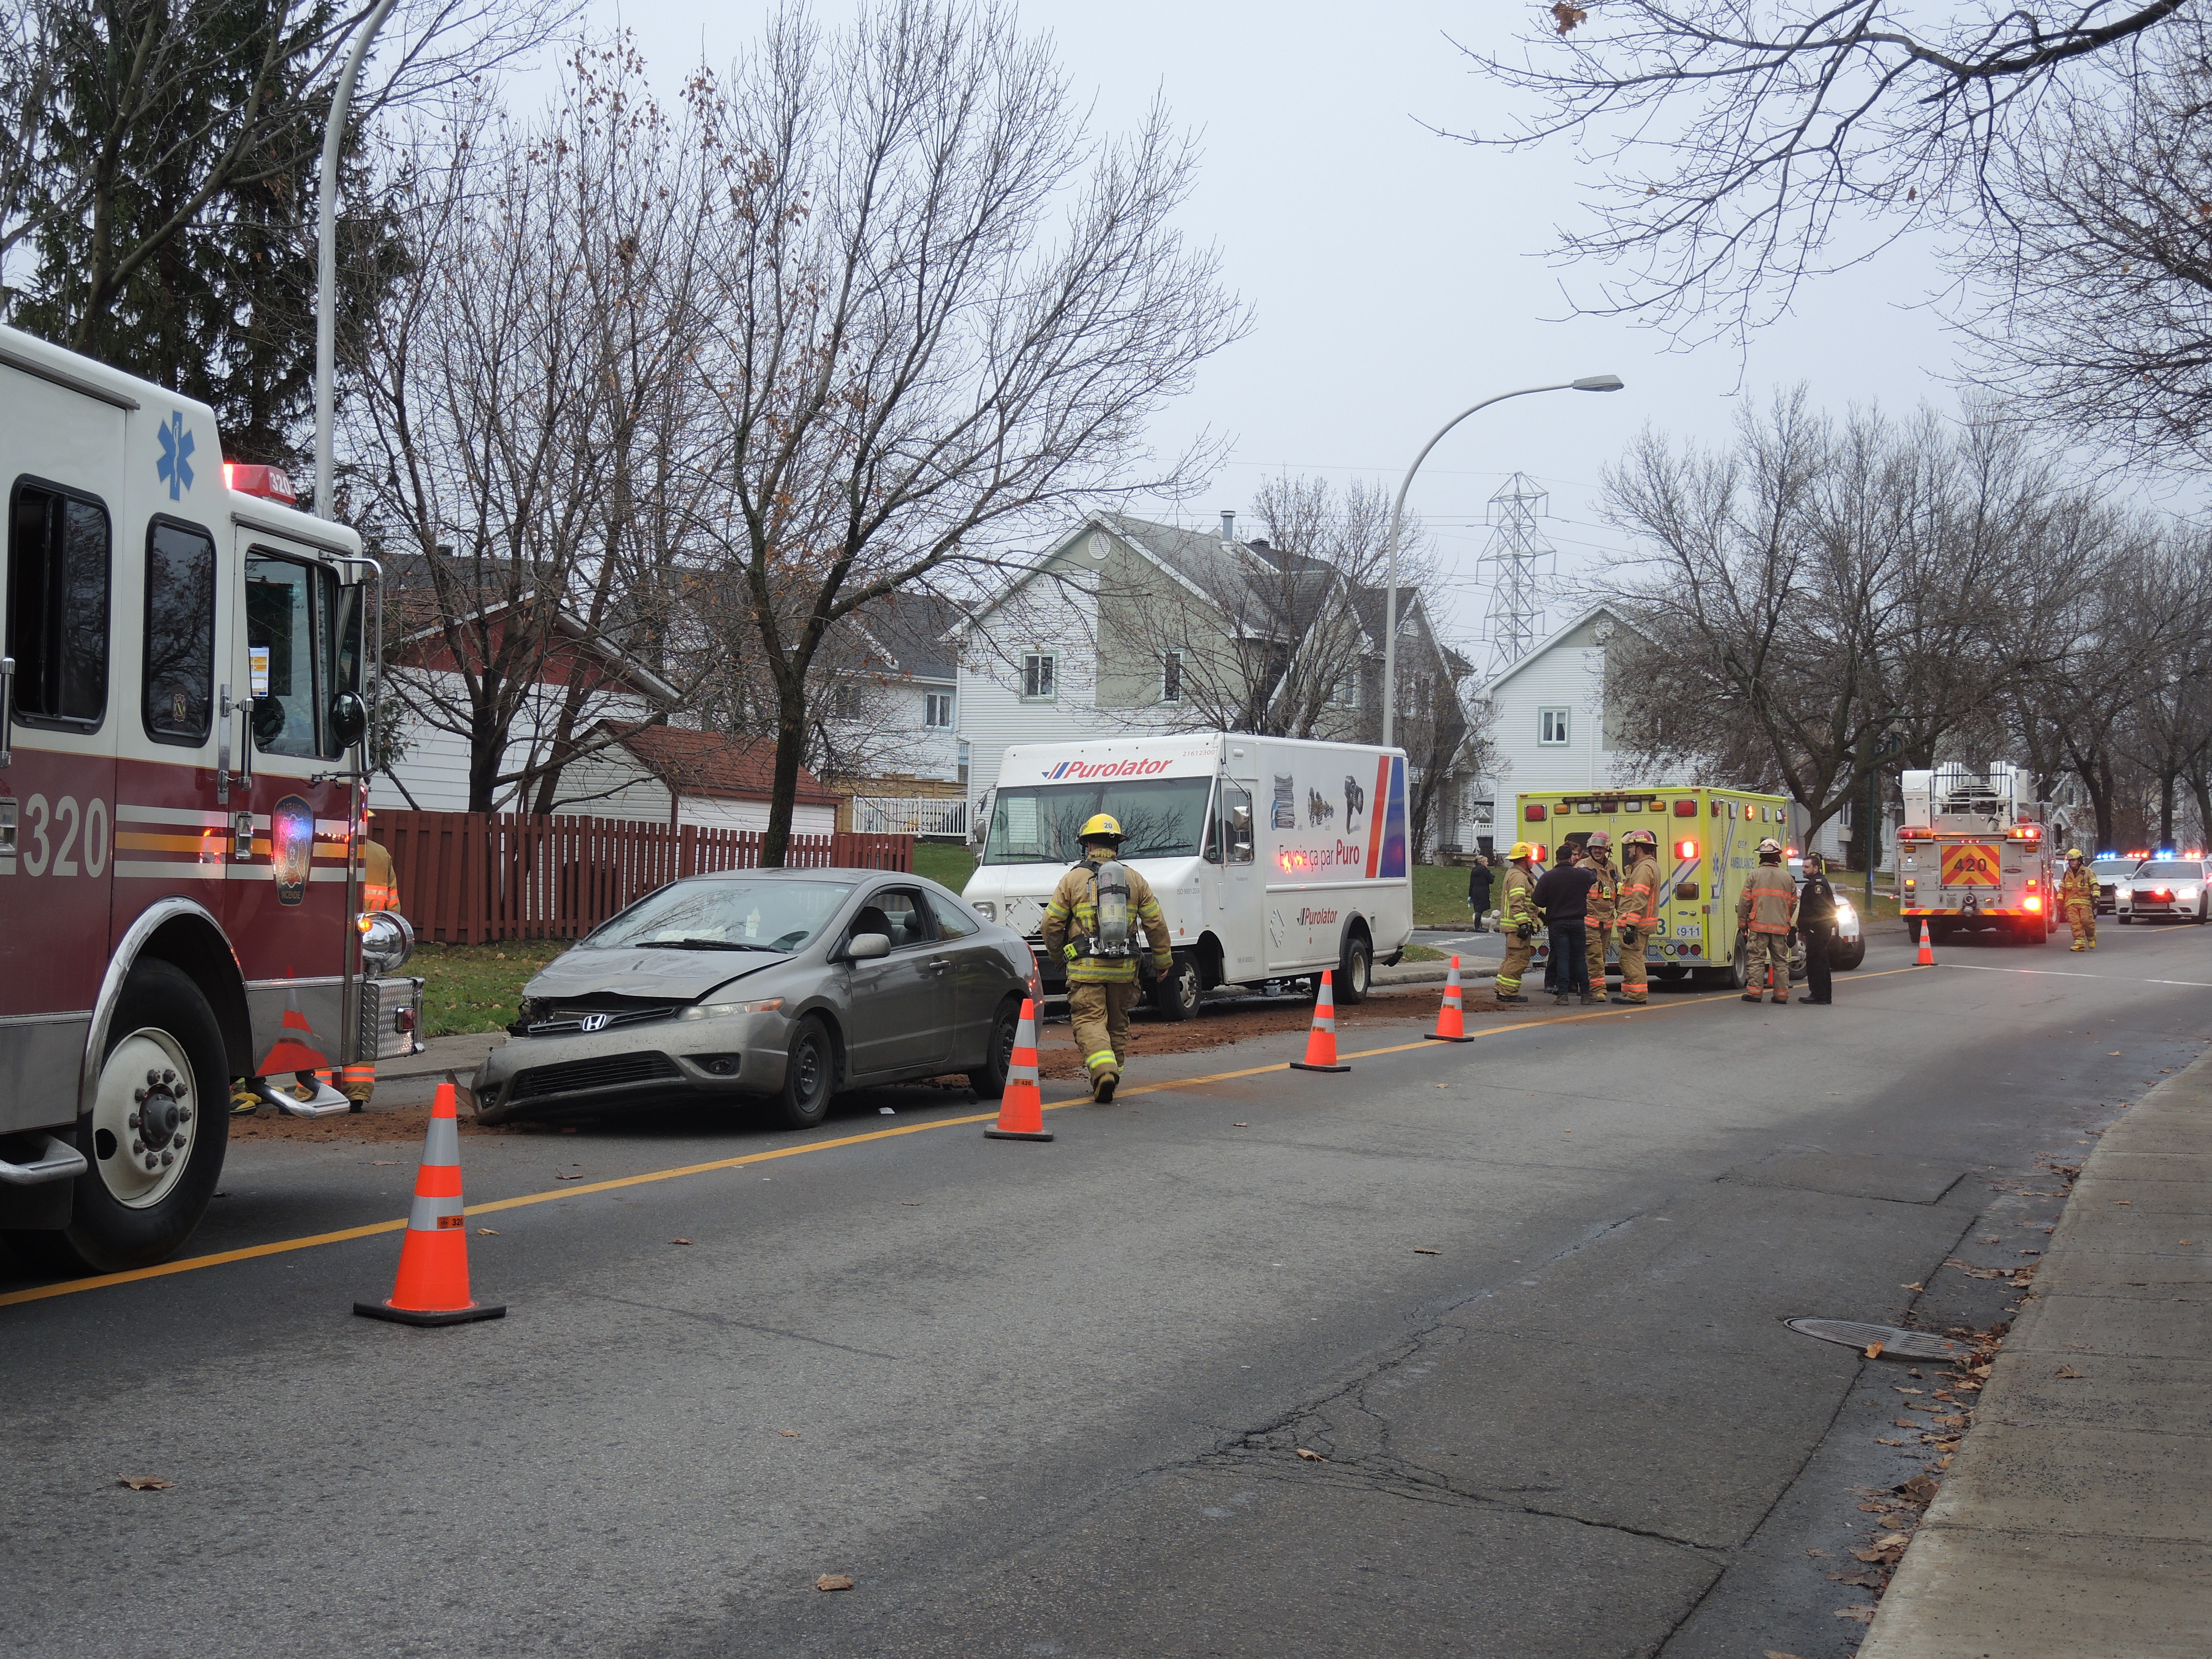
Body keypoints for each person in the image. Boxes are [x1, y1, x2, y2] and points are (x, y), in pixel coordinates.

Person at [1040, 813, 1173, 1102]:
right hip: (1125, 969)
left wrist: (1058, 956)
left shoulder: (1073, 879)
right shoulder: (1135, 880)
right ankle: (1114, 1075)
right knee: (1117, 1023)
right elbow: (1156, 923)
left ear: (1087, 845)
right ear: (1117, 846)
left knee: (1089, 1020)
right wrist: (1163, 961)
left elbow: (1051, 923)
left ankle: (1104, 1071)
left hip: (1086, 969)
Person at [1533, 842, 1601, 1005]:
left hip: (1557, 924)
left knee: (1562, 958)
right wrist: (1582, 864)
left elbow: (1538, 901)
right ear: (1572, 858)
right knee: (1579, 958)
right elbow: (1594, 875)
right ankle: (1586, 993)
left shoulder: (1548, 877)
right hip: (1578, 922)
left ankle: (1562, 995)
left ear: (1557, 858)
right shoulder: (1581, 875)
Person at [1737, 837, 1798, 1005]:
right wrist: (1785, 918)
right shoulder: (1787, 878)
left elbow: (1745, 902)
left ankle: (1755, 994)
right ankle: (1781, 996)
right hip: (1780, 927)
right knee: (1780, 961)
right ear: (1777, 856)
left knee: (1756, 959)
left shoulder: (1754, 876)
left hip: (1758, 926)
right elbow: (1793, 903)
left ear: (1761, 857)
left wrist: (1742, 923)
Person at [1614, 827, 1660, 1005]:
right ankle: (1628, 992)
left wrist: (1631, 925)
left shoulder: (1644, 868)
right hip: (1638, 923)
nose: (1628, 850)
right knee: (1627, 959)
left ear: (1639, 848)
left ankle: (1637, 995)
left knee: (1632, 959)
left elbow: (1639, 898)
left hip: (1636, 924)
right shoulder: (1644, 867)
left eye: (1631, 847)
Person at [1493, 844, 1543, 1004]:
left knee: (1511, 958)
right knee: (1518, 959)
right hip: (1517, 927)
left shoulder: (1519, 874)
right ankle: (1508, 992)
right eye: (1531, 859)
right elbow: (1517, 902)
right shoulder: (1519, 877)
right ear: (1524, 859)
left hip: (1515, 926)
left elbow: (1528, 902)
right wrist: (1523, 924)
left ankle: (1502, 989)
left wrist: (1541, 915)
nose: (1533, 862)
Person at [1796, 852, 1839, 1005]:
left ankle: (1818, 995)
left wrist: (1812, 927)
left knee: (1816, 962)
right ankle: (1823, 995)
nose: (1804, 870)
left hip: (1818, 929)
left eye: (1807, 867)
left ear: (1816, 867)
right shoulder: (1816, 882)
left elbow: (1819, 909)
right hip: (1820, 929)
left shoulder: (1817, 885)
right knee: (1820, 961)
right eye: (1803, 867)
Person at [1582, 832, 1619, 1004]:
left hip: (1607, 922)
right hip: (1589, 921)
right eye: (1594, 848)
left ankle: (1587, 986)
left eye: (1601, 848)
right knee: (1594, 956)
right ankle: (1598, 991)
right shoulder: (1583, 867)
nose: (1597, 851)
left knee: (1601, 957)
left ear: (1607, 849)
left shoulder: (1613, 868)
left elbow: (1618, 893)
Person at [2059, 848, 2098, 951]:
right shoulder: (2066, 875)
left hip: (2085, 903)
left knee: (2087, 921)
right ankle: (2079, 944)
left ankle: (2091, 937)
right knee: (2075, 923)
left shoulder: (2088, 872)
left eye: (2074, 860)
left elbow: (2095, 885)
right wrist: (2059, 900)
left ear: (2079, 860)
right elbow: (2062, 888)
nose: (2071, 863)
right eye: (2070, 861)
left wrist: (2096, 898)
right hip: (2070, 904)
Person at [1467, 854, 1494, 932]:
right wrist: (1492, 875)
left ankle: (1478, 926)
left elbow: (1471, 883)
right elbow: (1491, 880)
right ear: (1482, 863)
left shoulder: (1474, 871)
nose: (1487, 863)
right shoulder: (1485, 871)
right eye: (1486, 862)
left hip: (1475, 891)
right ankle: (1478, 927)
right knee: (1480, 910)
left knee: (1478, 909)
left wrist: (1470, 895)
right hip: (1483, 891)